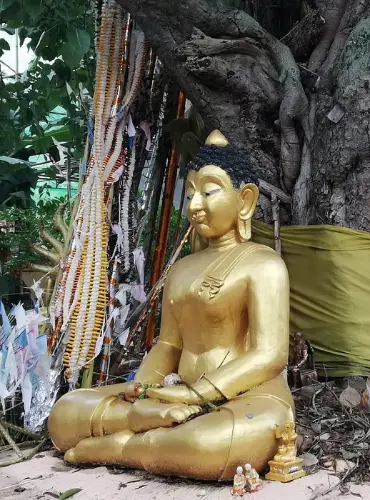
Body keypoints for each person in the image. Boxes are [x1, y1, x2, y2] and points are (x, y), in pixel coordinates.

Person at [47, 131, 294, 481]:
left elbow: (269, 355)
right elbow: (168, 345)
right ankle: (145, 427)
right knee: (65, 412)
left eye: (208, 192)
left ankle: (121, 448)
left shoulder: (263, 265)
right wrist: (144, 390)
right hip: (172, 396)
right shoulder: (181, 269)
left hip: (247, 397)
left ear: (245, 201)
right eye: (190, 193)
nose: (194, 205)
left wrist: (196, 393)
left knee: (212, 443)